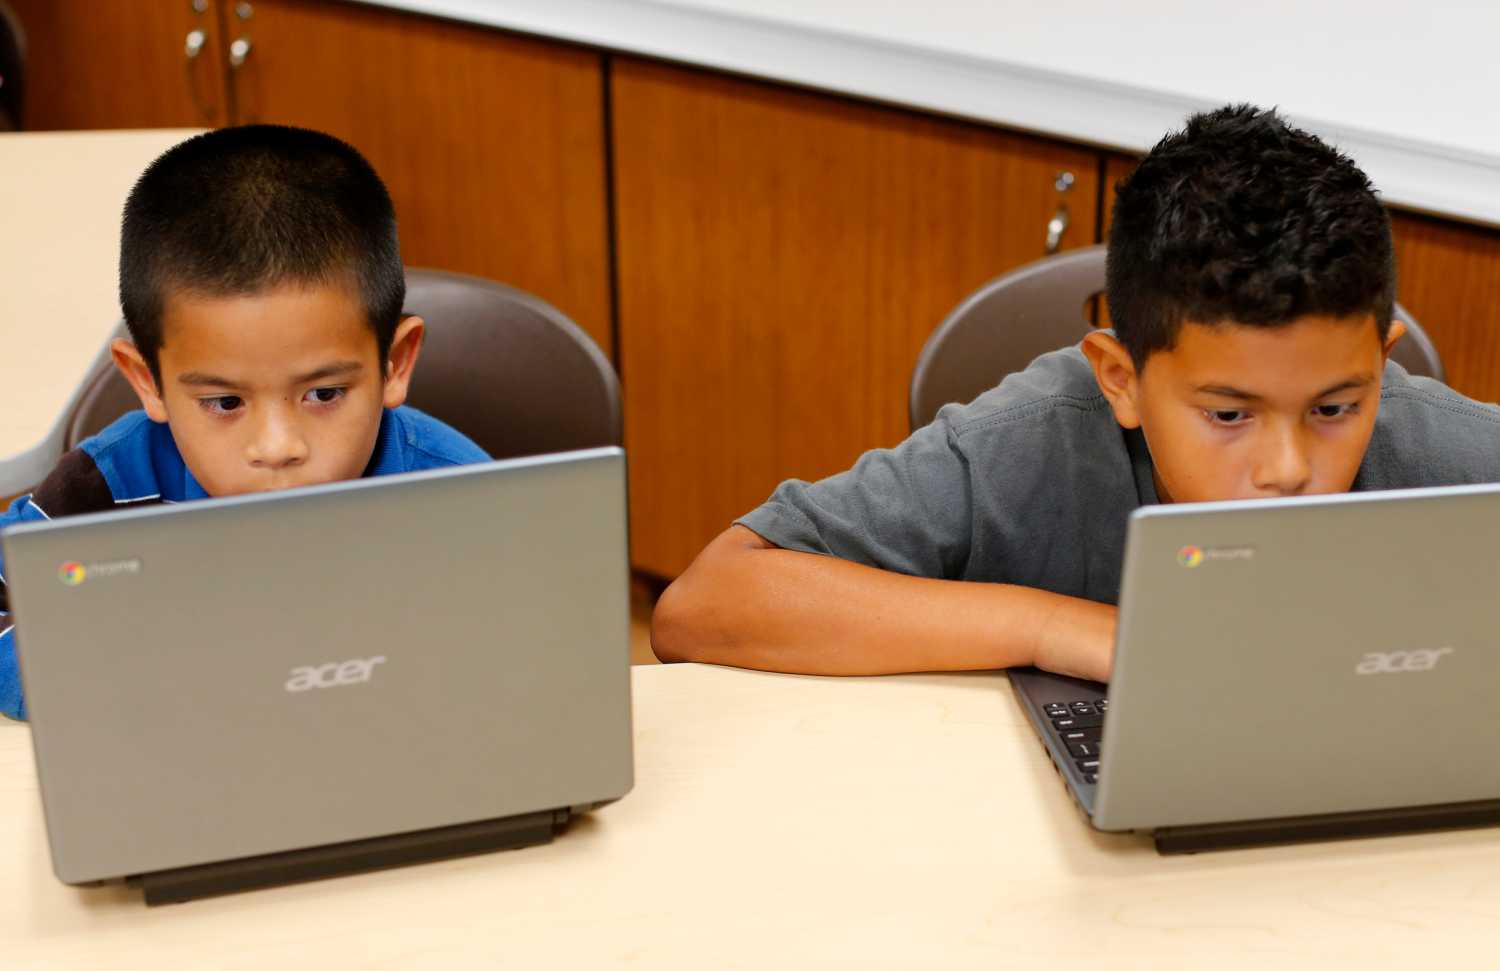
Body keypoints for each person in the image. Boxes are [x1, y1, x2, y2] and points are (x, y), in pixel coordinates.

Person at [652, 104, 1500, 681]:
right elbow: (703, 604)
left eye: (1335, 408)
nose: (1287, 468)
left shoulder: (1440, 449)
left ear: (1382, 361)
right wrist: (1056, 627)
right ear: (1121, 378)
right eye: (1228, 414)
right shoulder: (1027, 444)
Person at [0, 125, 488, 720]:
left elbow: (524, 643)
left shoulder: (462, 495)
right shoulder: (104, 488)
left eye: (324, 393)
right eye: (225, 403)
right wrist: (80, 682)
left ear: (395, 363)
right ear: (148, 381)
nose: (276, 447)